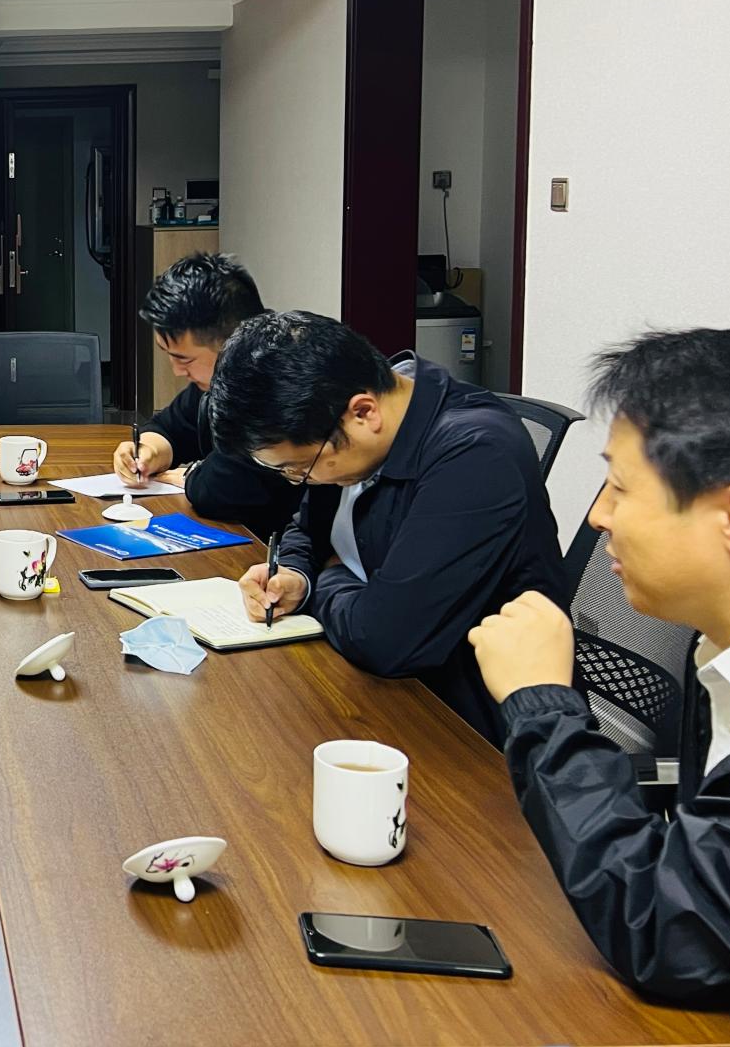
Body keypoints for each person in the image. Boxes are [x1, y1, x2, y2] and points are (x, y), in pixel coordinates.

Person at [469, 329, 730, 1021]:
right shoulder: (725, 645)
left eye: (622, 488)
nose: (598, 515)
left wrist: (541, 703)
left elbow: (668, 929)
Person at [207, 310, 566, 742]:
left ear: (364, 413)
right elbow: (307, 527)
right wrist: (297, 574)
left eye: (299, 467)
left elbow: (384, 640)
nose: (302, 480)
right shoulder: (353, 421)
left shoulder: (475, 455)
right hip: (382, 692)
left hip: (472, 729)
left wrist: (325, 580)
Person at [111, 252, 301, 539]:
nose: (176, 371)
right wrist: (148, 452)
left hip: (276, 548)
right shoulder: (218, 382)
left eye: (184, 359)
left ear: (233, 343)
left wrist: (191, 476)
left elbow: (221, 488)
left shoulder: (281, 385)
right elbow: (171, 426)